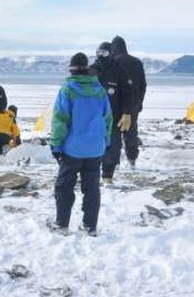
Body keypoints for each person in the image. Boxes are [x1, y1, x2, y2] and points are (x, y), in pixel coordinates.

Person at [49, 53, 112, 235]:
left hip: (73, 149)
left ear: (71, 69)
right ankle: (89, 226)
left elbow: (60, 120)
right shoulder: (99, 90)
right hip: (95, 149)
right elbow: (107, 118)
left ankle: (61, 225)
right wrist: (105, 141)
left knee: (64, 186)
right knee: (92, 188)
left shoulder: (67, 90)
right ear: (87, 68)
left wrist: (55, 144)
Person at [91, 42, 134, 186]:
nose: (101, 56)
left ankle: (107, 176)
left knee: (113, 147)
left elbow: (129, 94)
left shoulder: (120, 71)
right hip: (92, 116)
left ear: (111, 54)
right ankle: (91, 174)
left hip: (114, 116)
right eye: (99, 52)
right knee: (92, 146)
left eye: (105, 53)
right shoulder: (92, 70)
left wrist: (127, 114)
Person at [111, 35, 147, 168]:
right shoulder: (137, 62)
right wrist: (139, 102)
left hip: (116, 105)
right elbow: (143, 85)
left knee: (114, 133)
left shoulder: (113, 62)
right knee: (131, 132)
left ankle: (114, 162)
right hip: (133, 104)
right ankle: (132, 160)